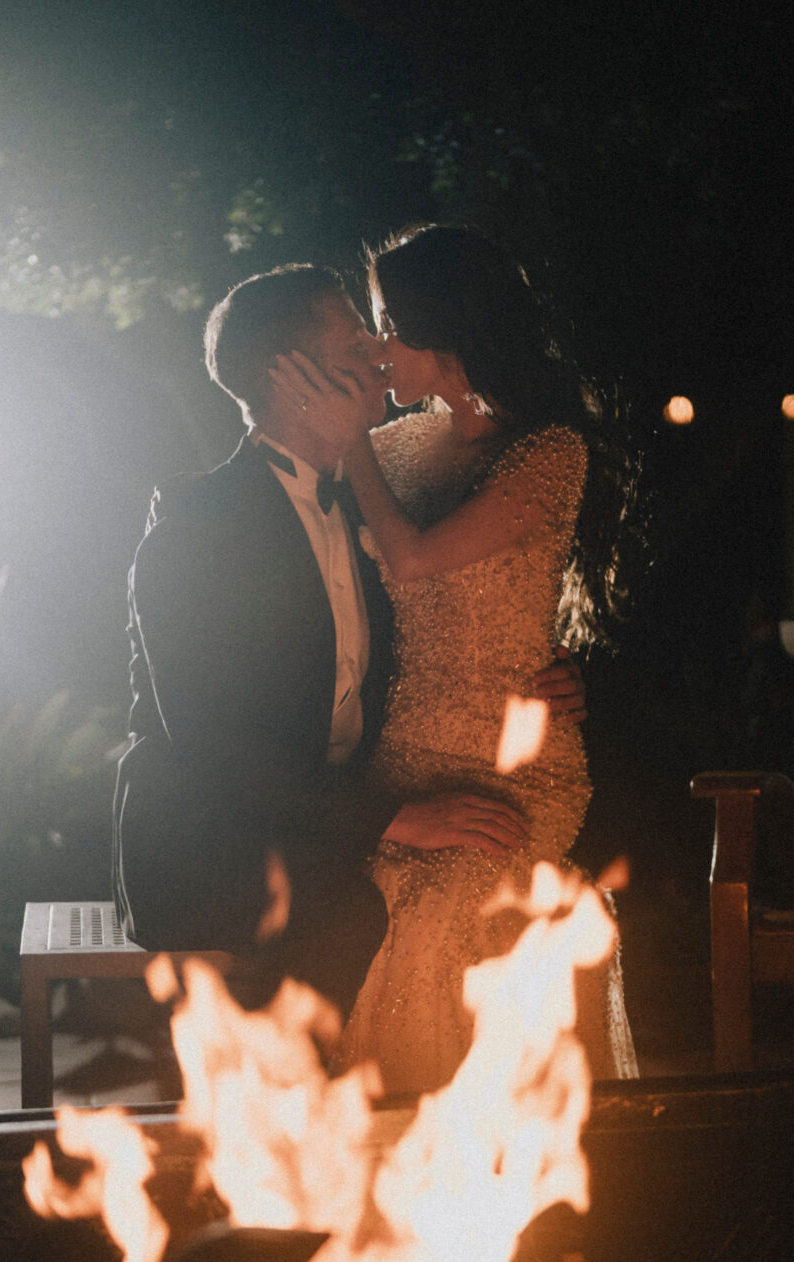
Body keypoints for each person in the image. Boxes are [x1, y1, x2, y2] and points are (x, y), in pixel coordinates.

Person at [112, 262, 578, 1021]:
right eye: (352, 336)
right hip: (213, 842)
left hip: (336, 823)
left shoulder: (376, 498)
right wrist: (396, 821)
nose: (375, 351)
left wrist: (544, 666)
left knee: (496, 886)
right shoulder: (199, 530)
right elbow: (218, 753)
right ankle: (288, 1128)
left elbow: (448, 623)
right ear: (287, 373)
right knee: (350, 910)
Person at [269, 224, 638, 1089]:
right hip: (398, 760)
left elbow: (413, 560)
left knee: (437, 916)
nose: (374, 347)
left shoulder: (547, 452)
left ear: (451, 328)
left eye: (390, 323)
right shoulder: (396, 447)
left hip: (513, 762)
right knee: (359, 903)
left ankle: (477, 1163)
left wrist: (350, 436)